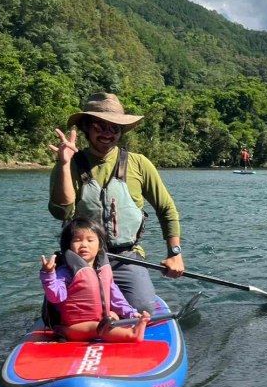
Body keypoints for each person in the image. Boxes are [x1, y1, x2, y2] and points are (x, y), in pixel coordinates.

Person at [48, 92, 184, 315]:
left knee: (143, 309)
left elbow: (166, 208)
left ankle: (115, 298)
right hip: (82, 257)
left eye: (114, 127)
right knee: (63, 313)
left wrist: (175, 252)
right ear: (86, 128)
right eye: (99, 126)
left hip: (126, 256)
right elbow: (61, 212)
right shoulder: (69, 163)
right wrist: (64, 165)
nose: (107, 133)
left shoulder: (139, 164)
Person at [40, 218, 151, 342]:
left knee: (113, 315)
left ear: (99, 245)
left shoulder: (103, 269)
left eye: (90, 240)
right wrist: (49, 274)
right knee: (96, 326)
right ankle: (132, 335)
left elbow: (116, 299)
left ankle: (118, 330)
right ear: (68, 246)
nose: (84, 245)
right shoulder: (66, 272)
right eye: (77, 240)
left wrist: (131, 313)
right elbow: (55, 297)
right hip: (73, 327)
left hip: (101, 320)